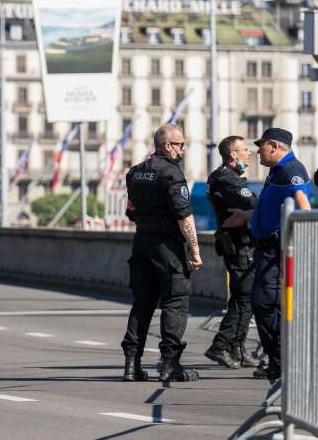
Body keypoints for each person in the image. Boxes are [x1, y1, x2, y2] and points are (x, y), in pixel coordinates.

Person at [223, 128, 311, 382]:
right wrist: (246, 216)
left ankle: (283, 360)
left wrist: (298, 245)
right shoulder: (277, 171)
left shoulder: (290, 170)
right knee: (264, 303)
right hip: (268, 248)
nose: (256, 151)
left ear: (275, 146)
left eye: (260, 146)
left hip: (278, 249)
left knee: (265, 303)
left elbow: (303, 207)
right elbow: (273, 208)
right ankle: (278, 361)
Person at [120, 124, 202, 383]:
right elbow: (184, 215)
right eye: (180, 144)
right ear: (167, 145)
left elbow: (130, 211)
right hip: (168, 247)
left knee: (142, 303)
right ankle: (170, 364)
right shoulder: (172, 174)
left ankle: (132, 365)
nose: (183, 149)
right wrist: (196, 250)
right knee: (175, 302)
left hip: (142, 243)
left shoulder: (135, 173)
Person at [203, 136, 260, 369]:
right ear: (233, 154)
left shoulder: (225, 177)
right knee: (244, 299)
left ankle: (238, 348)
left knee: (243, 298)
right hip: (239, 245)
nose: (249, 153)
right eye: (245, 150)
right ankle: (221, 345)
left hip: (239, 244)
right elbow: (254, 204)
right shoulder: (227, 180)